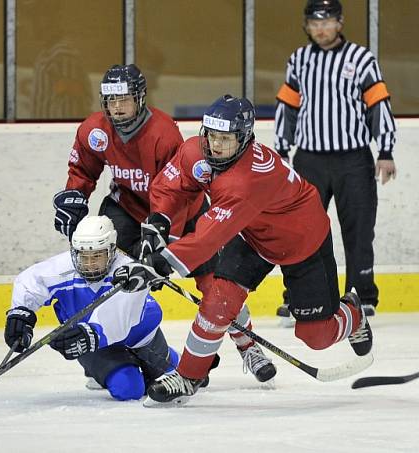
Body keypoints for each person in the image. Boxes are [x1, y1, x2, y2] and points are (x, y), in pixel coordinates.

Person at [128, 94, 373, 406]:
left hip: (302, 242)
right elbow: (170, 186)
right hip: (251, 235)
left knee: (316, 336)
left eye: (225, 139)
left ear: (244, 139)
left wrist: (158, 263)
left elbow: (207, 238)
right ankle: (188, 376)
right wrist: (158, 222)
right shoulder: (196, 151)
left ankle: (352, 313)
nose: (215, 145)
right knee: (218, 300)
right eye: (211, 136)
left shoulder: (248, 180)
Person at [53, 64, 276, 383]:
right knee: (115, 281)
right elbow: (84, 170)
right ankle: (111, 351)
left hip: (185, 213)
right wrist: (74, 195)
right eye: (110, 101)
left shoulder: (162, 133)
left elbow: (176, 192)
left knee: (217, 287)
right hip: (126, 209)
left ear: (140, 98)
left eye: (124, 100)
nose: (117, 107)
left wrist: (164, 245)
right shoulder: (95, 130)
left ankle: (248, 347)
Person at [274, 0, 397, 322]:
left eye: (327, 21)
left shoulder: (361, 58)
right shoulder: (298, 60)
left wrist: (385, 151)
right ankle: (301, 298)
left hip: (353, 159)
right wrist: (282, 150)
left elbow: (378, 104)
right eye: (314, 23)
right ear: (307, 26)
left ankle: (361, 296)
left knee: (358, 230)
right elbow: (288, 106)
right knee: (303, 231)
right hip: (309, 160)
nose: (321, 28)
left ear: (339, 23)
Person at [4, 216, 183, 401]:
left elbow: (121, 319)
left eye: (97, 256)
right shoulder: (62, 268)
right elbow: (31, 280)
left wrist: (90, 334)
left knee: (177, 376)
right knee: (129, 389)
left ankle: (174, 359)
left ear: (112, 250)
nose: (89, 264)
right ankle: (105, 370)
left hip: (138, 337)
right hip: (94, 344)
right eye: (83, 256)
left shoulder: (130, 271)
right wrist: (20, 313)